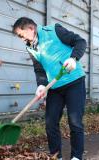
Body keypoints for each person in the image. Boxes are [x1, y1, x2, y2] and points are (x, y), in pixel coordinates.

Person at [12, 17, 86, 160]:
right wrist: (41, 85)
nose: (21, 39)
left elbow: (80, 41)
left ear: (30, 29)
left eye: (21, 35)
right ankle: (56, 156)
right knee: (50, 123)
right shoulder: (30, 47)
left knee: (75, 122)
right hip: (54, 86)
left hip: (74, 81)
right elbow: (39, 69)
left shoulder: (53, 30)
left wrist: (73, 58)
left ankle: (76, 156)